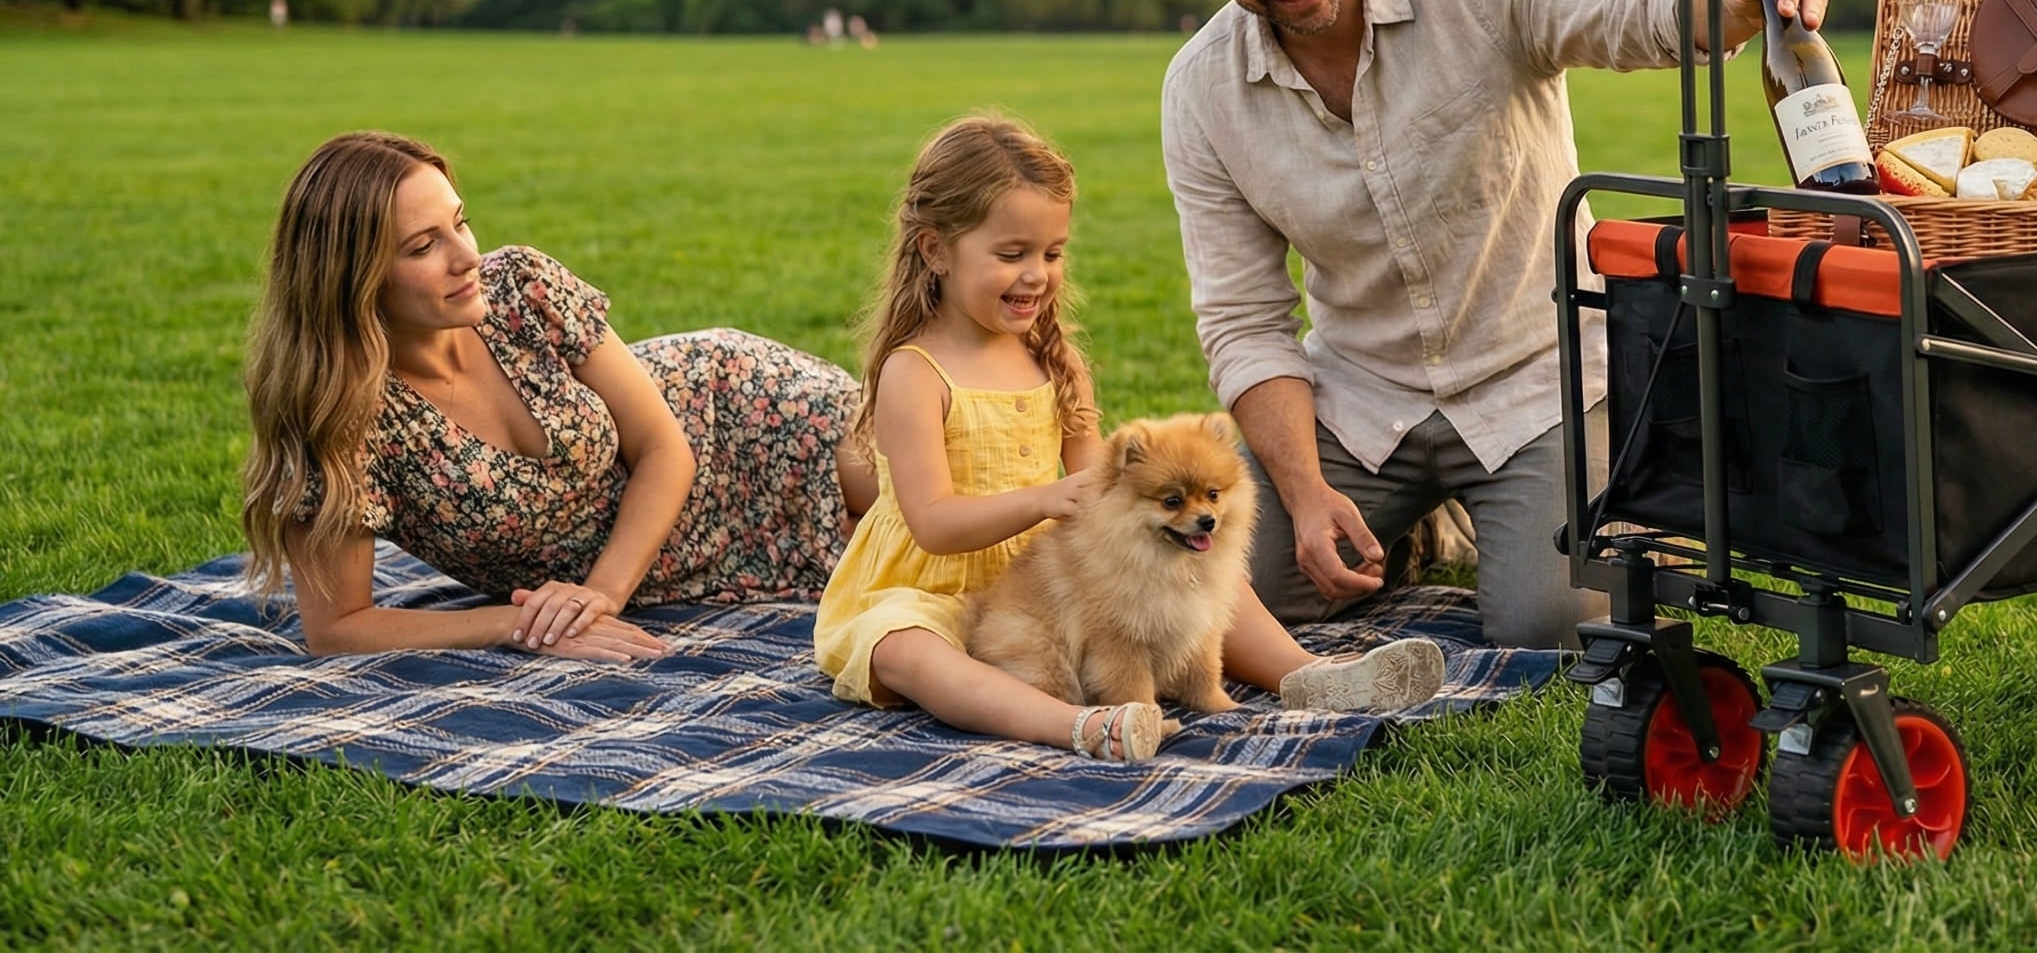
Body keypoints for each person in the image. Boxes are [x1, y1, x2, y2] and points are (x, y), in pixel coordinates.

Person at [1149, 0, 1831, 650]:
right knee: (1212, 596)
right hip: (1361, 397)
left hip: (1538, 379)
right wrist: (1304, 491)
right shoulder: (1201, 90)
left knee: (1550, 628)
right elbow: (1245, 320)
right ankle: (1419, 524)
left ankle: (1494, 517)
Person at [812, 115, 1444, 759]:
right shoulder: (915, 373)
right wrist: (1046, 499)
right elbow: (933, 524)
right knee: (905, 651)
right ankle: (1080, 726)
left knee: (1205, 569)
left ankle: (1310, 675)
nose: (1036, 275)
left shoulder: (1053, 360)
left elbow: (1101, 490)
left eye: (1051, 254)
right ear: (935, 250)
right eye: (1011, 255)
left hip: (1053, 575)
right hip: (931, 587)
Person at [239, 131, 881, 661]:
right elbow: (339, 628)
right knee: (901, 574)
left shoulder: (519, 287)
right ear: (351, 279)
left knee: (928, 498)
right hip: (682, 560)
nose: (466, 256)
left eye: (460, 223)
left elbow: (665, 445)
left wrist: (595, 597)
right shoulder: (343, 421)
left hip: (734, 412)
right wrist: (516, 625)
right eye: (423, 246)